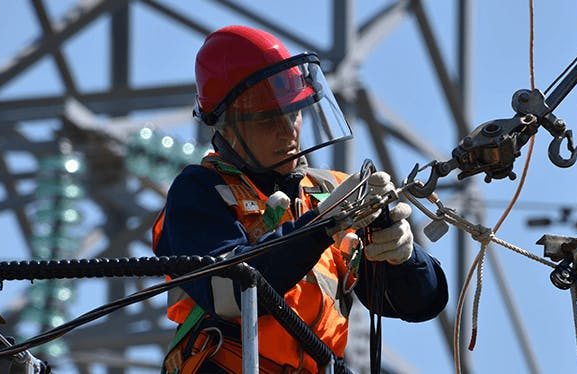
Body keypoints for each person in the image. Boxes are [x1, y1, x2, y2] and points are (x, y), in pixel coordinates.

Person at [153, 25, 448, 373]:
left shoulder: (330, 190)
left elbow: (418, 304)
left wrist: (404, 256)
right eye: (268, 120)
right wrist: (321, 225)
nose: (288, 131)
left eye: (293, 113)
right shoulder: (200, 190)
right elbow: (228, 292)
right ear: (226, 125)